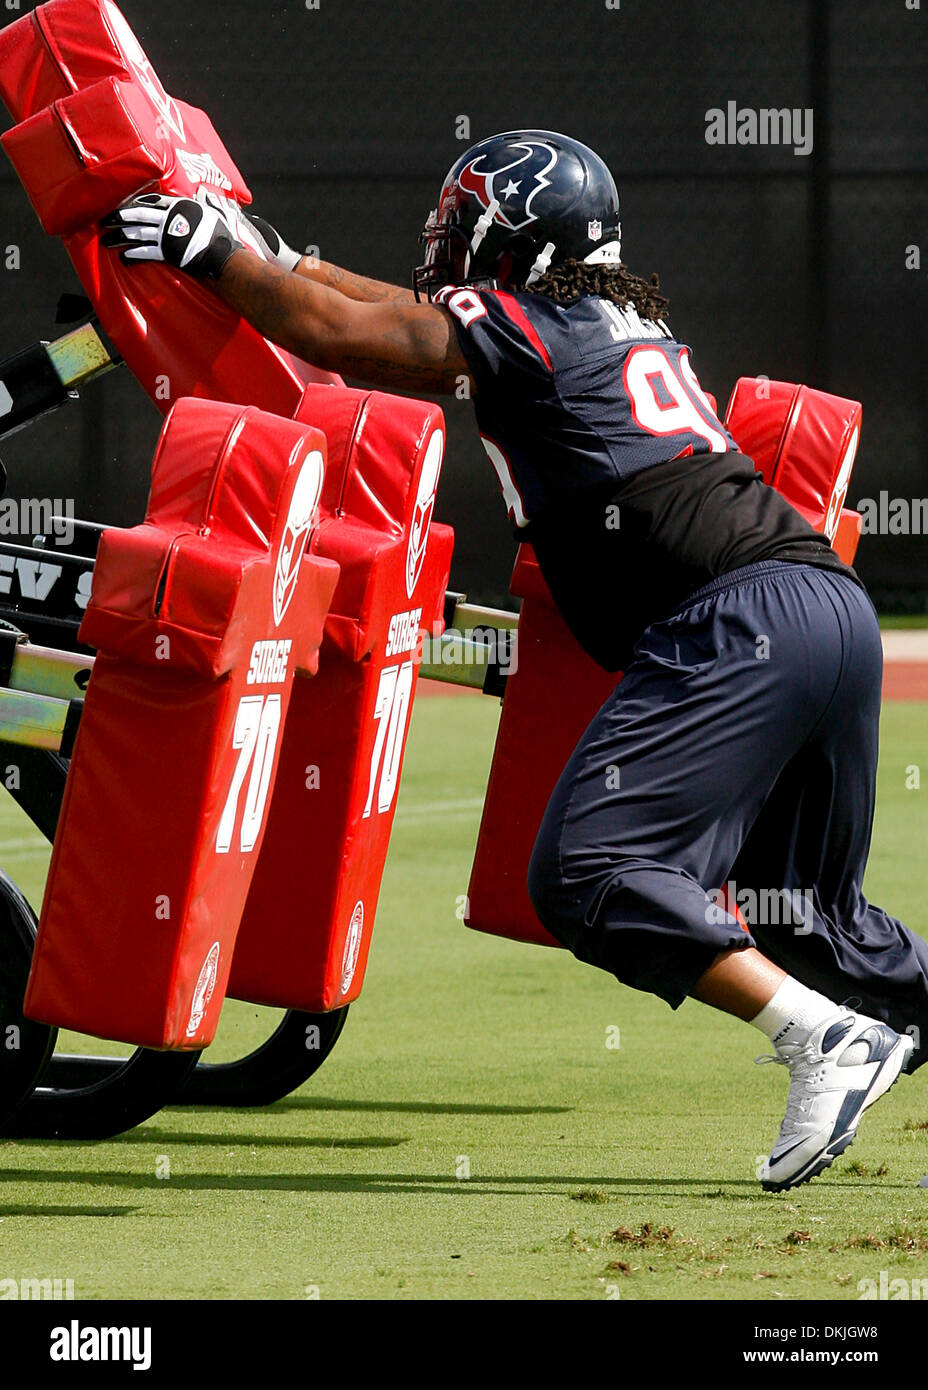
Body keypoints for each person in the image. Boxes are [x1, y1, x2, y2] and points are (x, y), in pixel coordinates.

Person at [103, 129, 925, 1191]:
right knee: (808, 919)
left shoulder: (524, 322)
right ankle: (842, 1015)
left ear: (513, 234)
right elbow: (372, 307)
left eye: (462, 223)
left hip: (735, 621)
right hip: (822, 608)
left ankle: (820, 1040)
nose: (444, 244)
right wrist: (275, 256)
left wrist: (210, 252)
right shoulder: (610, 316)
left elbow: (354, 337)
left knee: (585, 872)